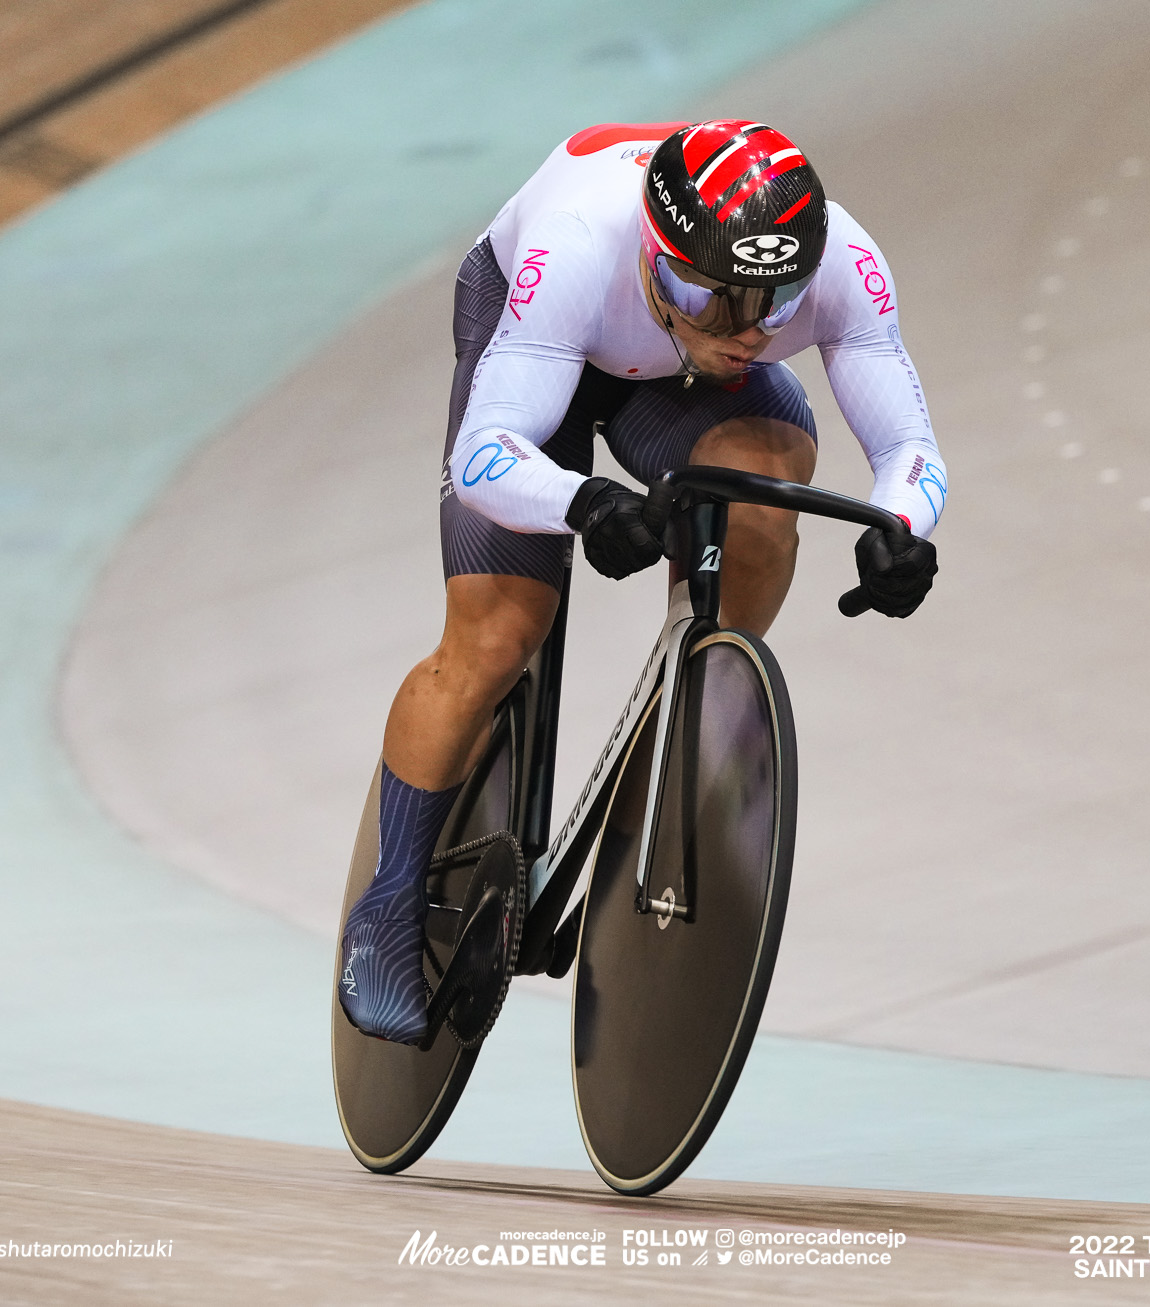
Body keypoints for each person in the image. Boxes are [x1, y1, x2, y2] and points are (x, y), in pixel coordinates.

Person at [339, 120, 946, 1043]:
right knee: (500, 632)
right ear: (657, 260)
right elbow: (485, 456)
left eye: (771, 306)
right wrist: (585, 504)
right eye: (705, 293)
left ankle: (675, 737)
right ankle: (384, 911)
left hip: (660, 369)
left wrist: (901, 527)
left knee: (767, 480)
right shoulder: (578, 247)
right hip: (544, 344)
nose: (740, 331)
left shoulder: (842, 263)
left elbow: (907, 447)